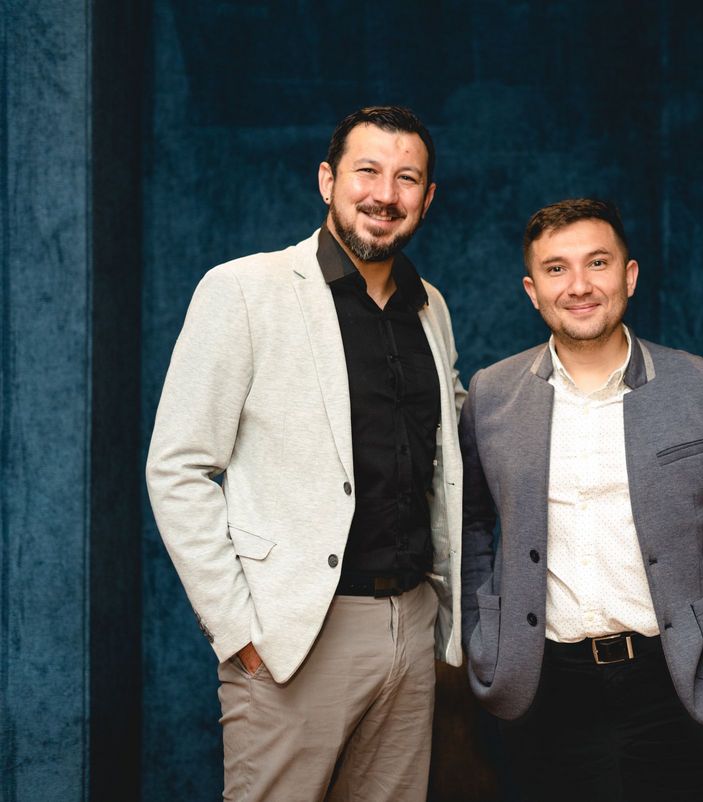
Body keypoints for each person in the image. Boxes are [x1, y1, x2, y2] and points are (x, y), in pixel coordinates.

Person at [146, 105, 464, 802]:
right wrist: (239, 631)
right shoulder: (244, 290)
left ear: (428, 197)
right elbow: (177, 467)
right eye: (367, 171)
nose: (385, 194)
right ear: (327, 180)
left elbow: (447, 452)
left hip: (412, 624)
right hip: (296, 634)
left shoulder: (430, 307)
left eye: (407, 178)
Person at [458, 198, 703, 801]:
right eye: (556, 268)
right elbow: (470, 526)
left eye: (597, 262)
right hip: (543, 687)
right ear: (532, 290)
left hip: (679, 681)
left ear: (630, 275)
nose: (579, 286)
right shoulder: (491, 396)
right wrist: (481, 635)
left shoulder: (702, 387)